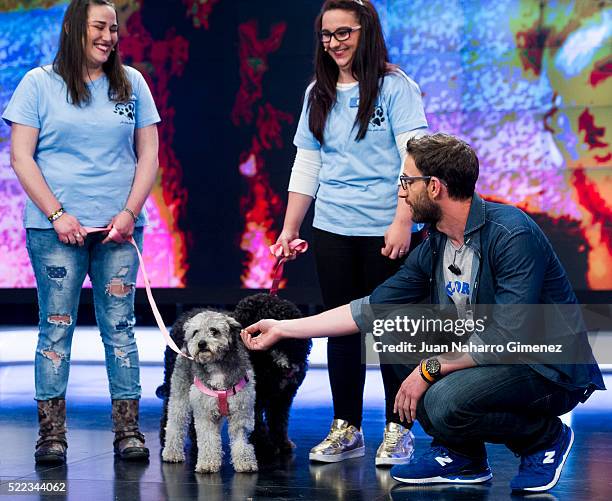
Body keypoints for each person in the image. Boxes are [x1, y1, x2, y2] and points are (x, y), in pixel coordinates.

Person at [243, 133, 605, 491]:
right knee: (397, 333)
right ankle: (464, 457)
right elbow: (372, 309)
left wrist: (429, 369)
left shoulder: (511, 233)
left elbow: (506, 336)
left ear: (434, 187)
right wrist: (284, 328)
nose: (400, 192)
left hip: (545, 367)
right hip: (490, 357)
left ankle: (543, 439)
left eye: (406, 181)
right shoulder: (436, 242)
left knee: (444, 400)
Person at [3, 0, 160, 464]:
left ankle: (128, 431)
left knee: (122, 327)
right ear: (74, 28)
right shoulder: (38, 83)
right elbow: (21, 157)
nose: (109, 37)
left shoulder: (132, 83)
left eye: (114, 29)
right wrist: (57, 214)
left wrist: (130, 212)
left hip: (119, 232)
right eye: (99, 27)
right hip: (56, 232)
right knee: (55, 330)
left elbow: (148, 155)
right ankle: (51, 436)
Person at [276, 0, 428, 465]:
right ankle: (347, 428)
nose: (335, 43)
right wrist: (289, 229)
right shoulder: (316, 93)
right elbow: (309, 162)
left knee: (393, 331)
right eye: (327, 34)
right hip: (334, 228)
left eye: (344, 33)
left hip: (387, 229)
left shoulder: (395, 87)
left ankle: (399, 430)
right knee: (342, 330)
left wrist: (404, 220)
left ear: (366, 33)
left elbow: (415, 157)